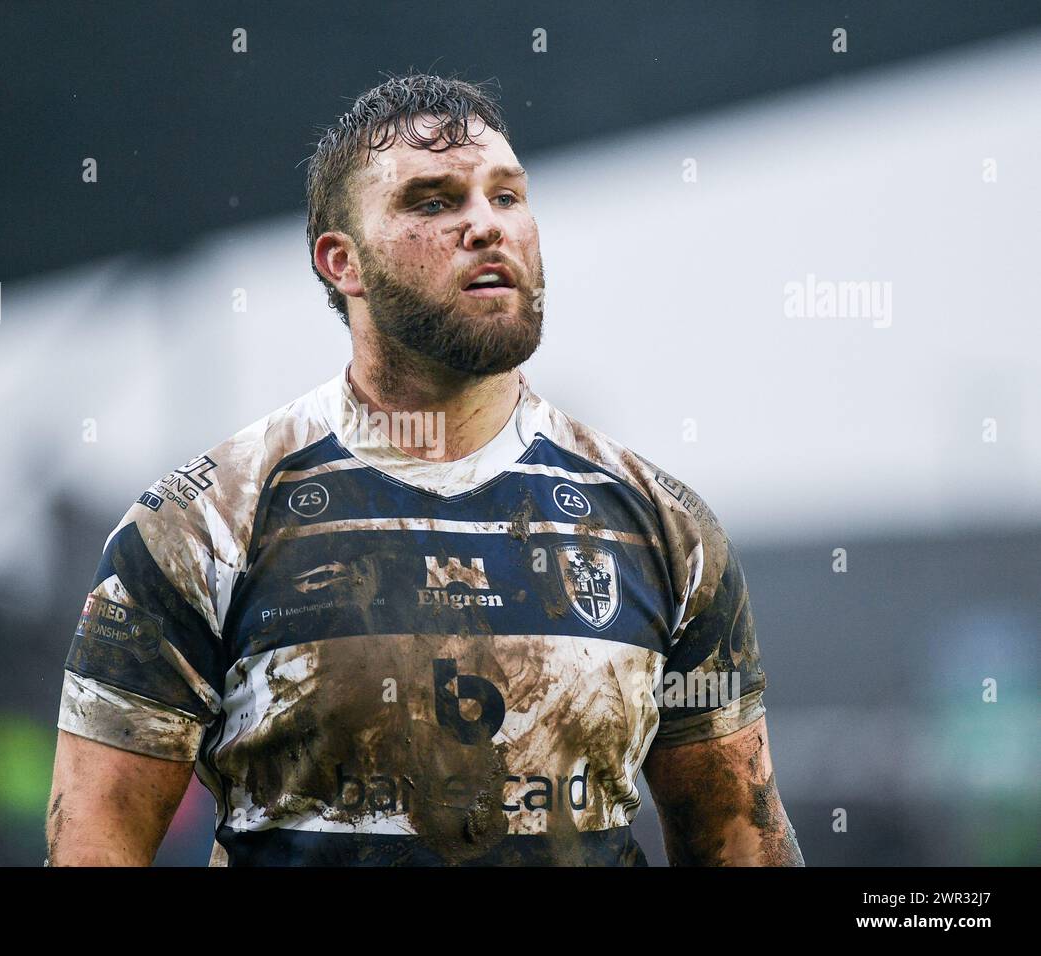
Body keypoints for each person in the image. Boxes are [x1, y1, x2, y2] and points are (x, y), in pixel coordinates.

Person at [46, 73, 803, 867]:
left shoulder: (663, 529)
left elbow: (739, 841)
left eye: (506, 196)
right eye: (434, 202)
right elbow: (97, 841)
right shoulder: (199, 525)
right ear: (343, 262)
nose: (486, 226)